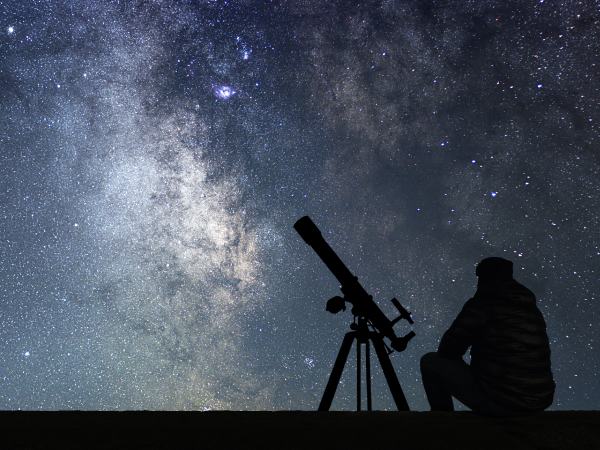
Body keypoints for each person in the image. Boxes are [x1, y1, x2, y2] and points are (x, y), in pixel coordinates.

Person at [420, 257, 555, 416]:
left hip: (502, 402)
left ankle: (442, 421)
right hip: (538, 401)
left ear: (484, 276)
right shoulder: (532, 310)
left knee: (430, 362)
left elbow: (448, 349)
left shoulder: (483, 303)